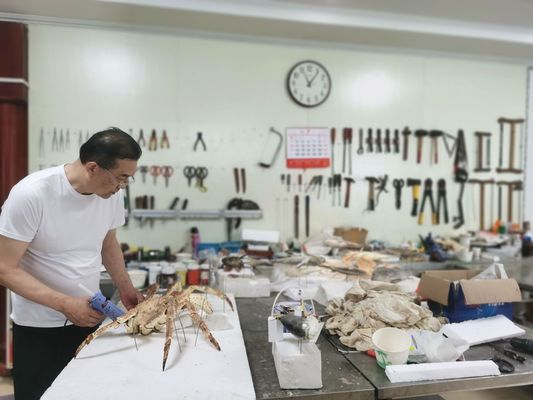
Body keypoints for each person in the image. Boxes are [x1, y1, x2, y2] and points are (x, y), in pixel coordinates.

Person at [0, 127, 144, 400]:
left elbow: (107, 241)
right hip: (39, 328)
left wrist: (125, 288)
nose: (122, 186)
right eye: (121, 178)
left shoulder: (111, 195)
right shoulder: (31, 194)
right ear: (93, 168)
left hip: (89, 318)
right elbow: (4, 268)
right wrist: (64, 304)